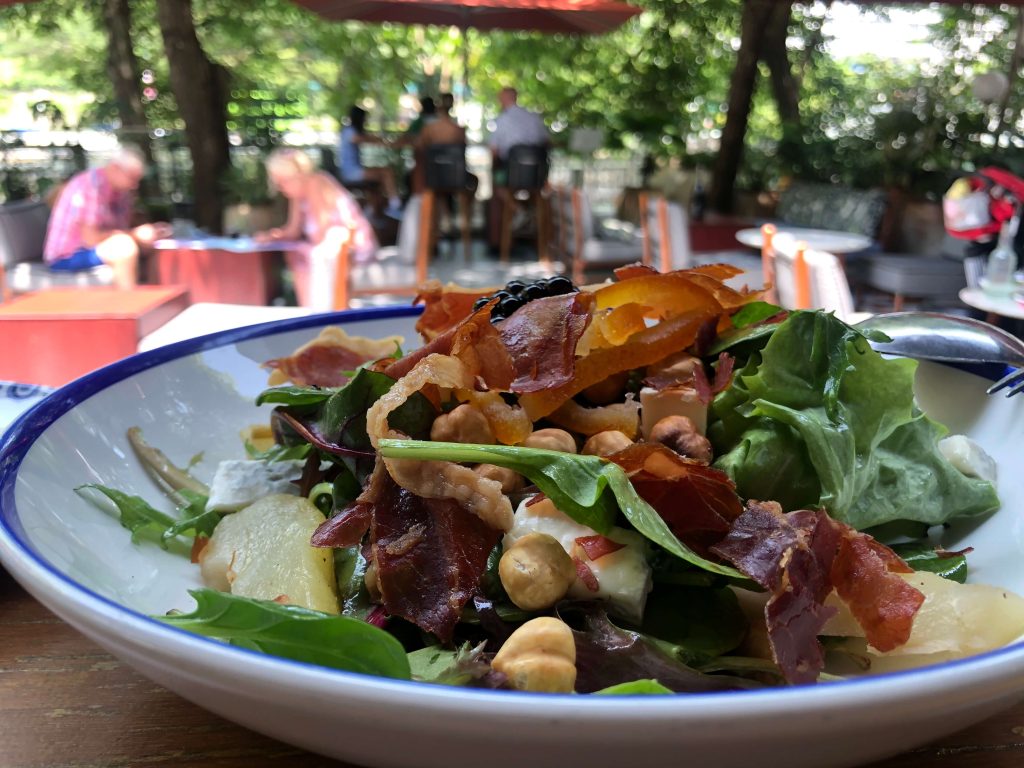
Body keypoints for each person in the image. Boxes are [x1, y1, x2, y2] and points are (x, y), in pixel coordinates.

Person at [255, 148, 379, 311]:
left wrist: (301, 247)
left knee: (310, 254)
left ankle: (319, 312)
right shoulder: (298, 194)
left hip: (352, 248)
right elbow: (293, 231)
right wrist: (271, 236)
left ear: (297, 175)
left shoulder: (316, 182)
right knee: (295, 254)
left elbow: (322, 232)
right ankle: (310, 311)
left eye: (282, 181)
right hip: (331, 247)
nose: (280, 187)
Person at [43, 145, 170, 289]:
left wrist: (148, 233)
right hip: (67, 256)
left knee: (152, 245)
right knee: (124, 247)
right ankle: (129, 301)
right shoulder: (90, 186)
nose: (135, 185)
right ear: (115, 168)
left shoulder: (122, 193)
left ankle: (159, 297)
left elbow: (120, 229)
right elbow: (91, 239)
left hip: (94, 249)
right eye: (132, 178)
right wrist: (135, 235)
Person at [337, 105, 402, 216]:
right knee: (387, 172)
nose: (366, 121)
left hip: (353, 171)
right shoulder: (349, 131)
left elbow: (363, 138)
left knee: (382, 176)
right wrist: (382, 141)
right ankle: (395, 206)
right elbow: (360, 139)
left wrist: (379, 140)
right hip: (351, 173)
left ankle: (373, 209)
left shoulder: (349, 130)